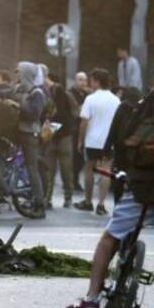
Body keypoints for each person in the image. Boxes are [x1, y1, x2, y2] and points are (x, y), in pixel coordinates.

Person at [63, 72, 154, 308]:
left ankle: (92, 299)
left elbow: (125, 140)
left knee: (109, 239)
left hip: (142, 186)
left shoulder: (143, 110)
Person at [0, 62, 47, 218]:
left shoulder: (37, 93)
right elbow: (6, 92)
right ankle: (4, 183)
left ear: (26, 74)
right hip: (17, 131)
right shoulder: (18, 88)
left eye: (19, 72)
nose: (16, 74)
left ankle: (39, 204)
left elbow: (34, 114)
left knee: (32, 168)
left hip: (30, 134)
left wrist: (17, 105)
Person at [73, 68, 120, 216]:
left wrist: (80, 140)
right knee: (106, 171)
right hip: (109, 142)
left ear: (97, 81)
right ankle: (101, 204)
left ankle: (87, 201)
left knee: (89, 170)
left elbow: (84, 122)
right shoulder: (116, 100)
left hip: (92, 140)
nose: (90, 83)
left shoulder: (90, 99)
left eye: (92, 80)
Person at [44, 71, 75, 209]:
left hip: (55, 134)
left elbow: (57, 113)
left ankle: (48, 198)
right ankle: (67, 197)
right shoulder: (60, 92)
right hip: (63, 135)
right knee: (64, 169)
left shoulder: (56, 90)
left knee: (51, 169)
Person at [68, 72, 89, 192]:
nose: (83, 82)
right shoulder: (70, 93)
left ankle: (75, 180)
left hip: (84, 128)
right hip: (74, 128)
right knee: (74, 155)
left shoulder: (87, 95)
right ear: (75, 81)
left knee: (80, 157)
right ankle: (73, 181)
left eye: (85, 80)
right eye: (80, 80)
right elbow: (75, 110)